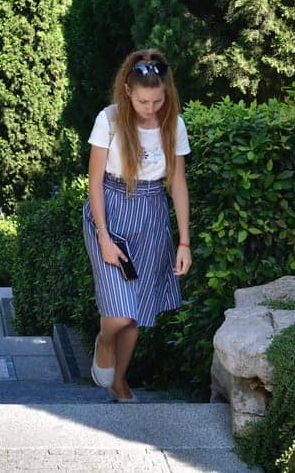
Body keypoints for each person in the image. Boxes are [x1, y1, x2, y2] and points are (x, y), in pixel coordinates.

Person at [83, 48, 191, 403]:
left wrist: (184, 242)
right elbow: (94, 180)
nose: (151, 108)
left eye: (158, 100)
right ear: (128, 90)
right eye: (144, 100)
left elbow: (177, 183)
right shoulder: (110, 119)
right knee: (119, 310)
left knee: (138, 311)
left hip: (151, 213)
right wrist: (102, 234)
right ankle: (103, 341)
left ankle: (120, 380)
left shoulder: (173, 124)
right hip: (110, 210)